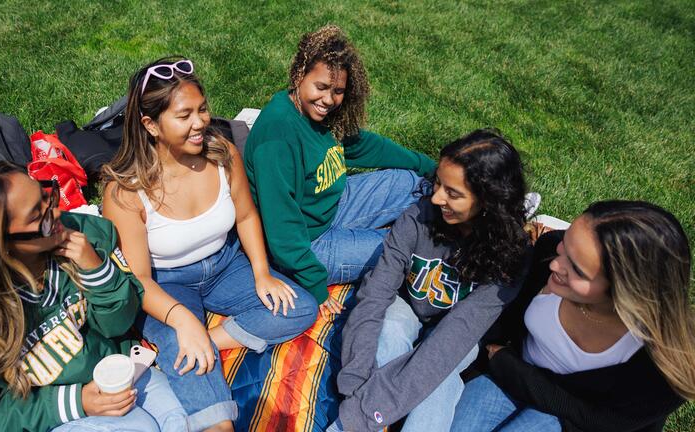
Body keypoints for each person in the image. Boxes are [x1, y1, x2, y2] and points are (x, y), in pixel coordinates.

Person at [102, 56, 319, 431]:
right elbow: (139, 280)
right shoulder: (125, 192)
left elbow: (247, 217)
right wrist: (182, 319)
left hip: (224, 264)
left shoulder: (221, 153)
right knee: (190, 360)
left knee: (300, 306)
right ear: (151, 125)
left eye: (202, 109)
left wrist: (261, 272)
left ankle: (207, 342)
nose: (200, 122)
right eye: (184, 116)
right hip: (164, 283)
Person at [0, 161, 188, 432]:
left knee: (184, 419)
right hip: (51, 415)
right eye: (36, 217)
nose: (58, 211)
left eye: (45, 196)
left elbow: (119, 323)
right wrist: (73, 402)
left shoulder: (78, 240)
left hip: (120, 369)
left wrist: (96, 271)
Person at [329, 129, 532, 431]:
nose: (436, 197)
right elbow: (376, 293)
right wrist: (355, 381)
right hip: (409, 305)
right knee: (390, 335)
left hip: (460, 333)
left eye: (453, 193)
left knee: (439, 379)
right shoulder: (418, 217)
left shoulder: (510, 256)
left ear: (488, 201)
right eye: (438, 182)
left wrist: (363, 415)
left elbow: (450, 341)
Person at [451, 201, 695, 432]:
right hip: (510, 376)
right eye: (565, 245)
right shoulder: (547, 255)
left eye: (577, 269)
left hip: (577, 421)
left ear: (627, 290)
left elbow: (601, 420)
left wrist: (506, 365)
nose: (556, 265)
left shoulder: (669, 363)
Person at [243, 25, 436, 316]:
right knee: (401, 248)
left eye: (338, 91)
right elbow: (282, 229)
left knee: (411, 181)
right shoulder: (278, 135)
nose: (329, 100)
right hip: (308, 241)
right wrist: (316, 287)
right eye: (321, 87)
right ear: (298, 76)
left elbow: (365, 146)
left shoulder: (323, 116)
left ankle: (471, 206)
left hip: (334, 204)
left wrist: (430, 167)